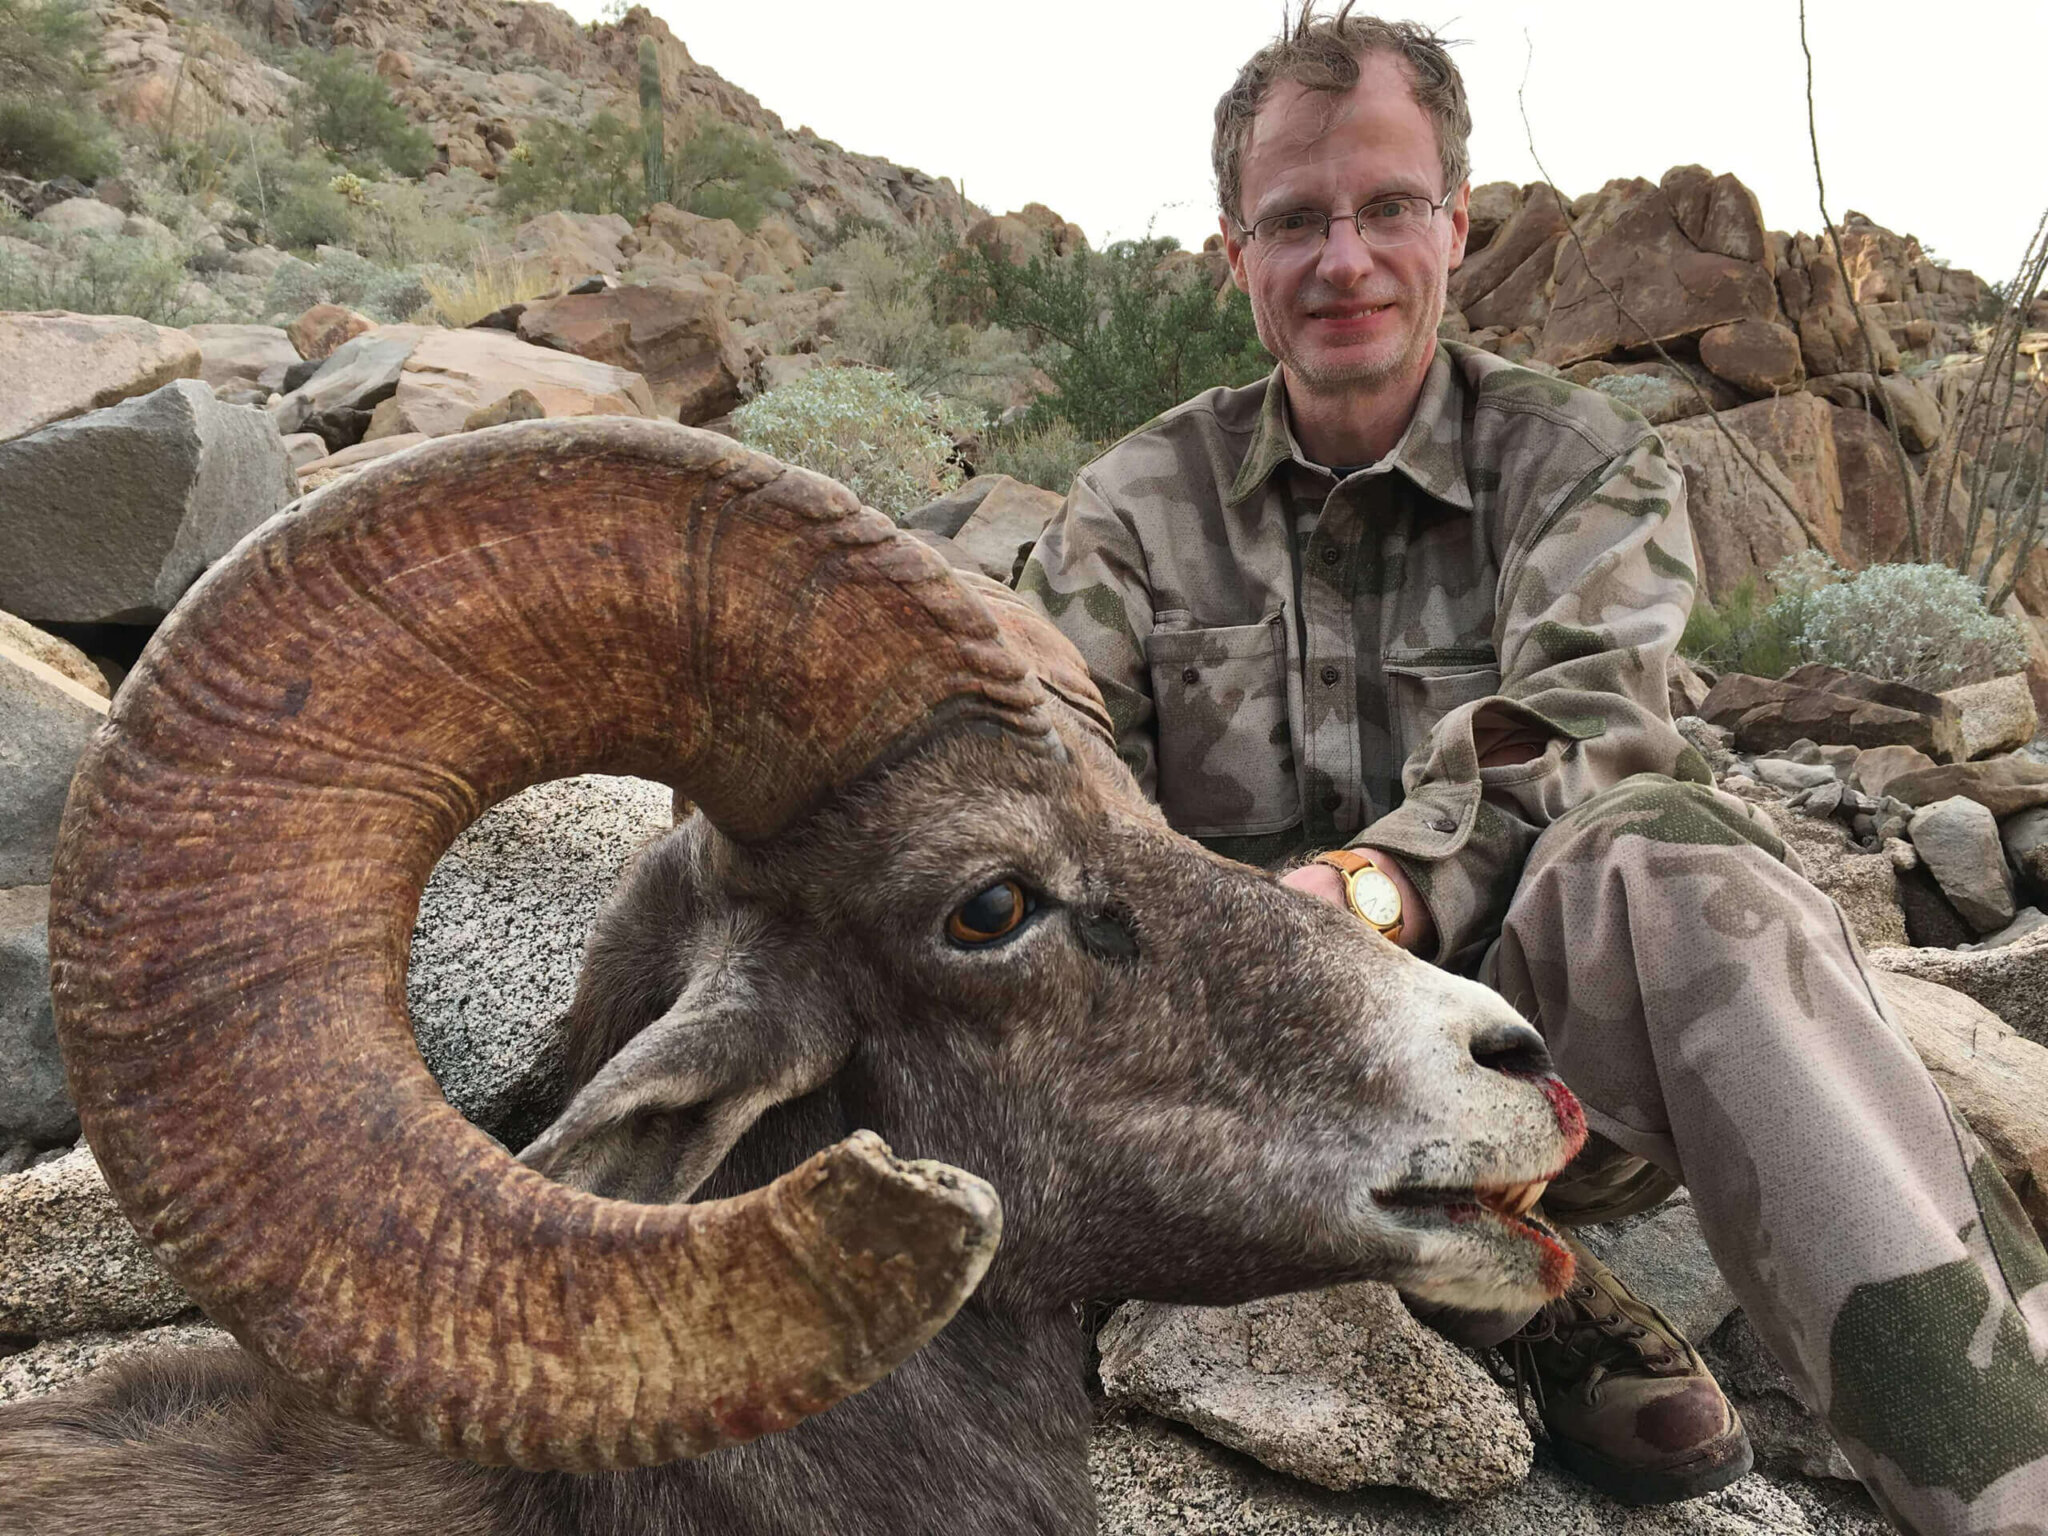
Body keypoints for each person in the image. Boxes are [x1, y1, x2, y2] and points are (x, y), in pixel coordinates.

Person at [1018, 8, 2048, 1530]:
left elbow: (1587, 722)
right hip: (1222, 1080)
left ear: (1457, 223)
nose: (1343, 259)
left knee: (1672, 851)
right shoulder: (1126, 508)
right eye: (1293, 220)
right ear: (1235, 256)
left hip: (1532, 1076)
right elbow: (1046, 773)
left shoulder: (1582, 461)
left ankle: (2003, 1474)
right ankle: (1519, 1304)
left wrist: (1362, 895)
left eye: (1385, 208)